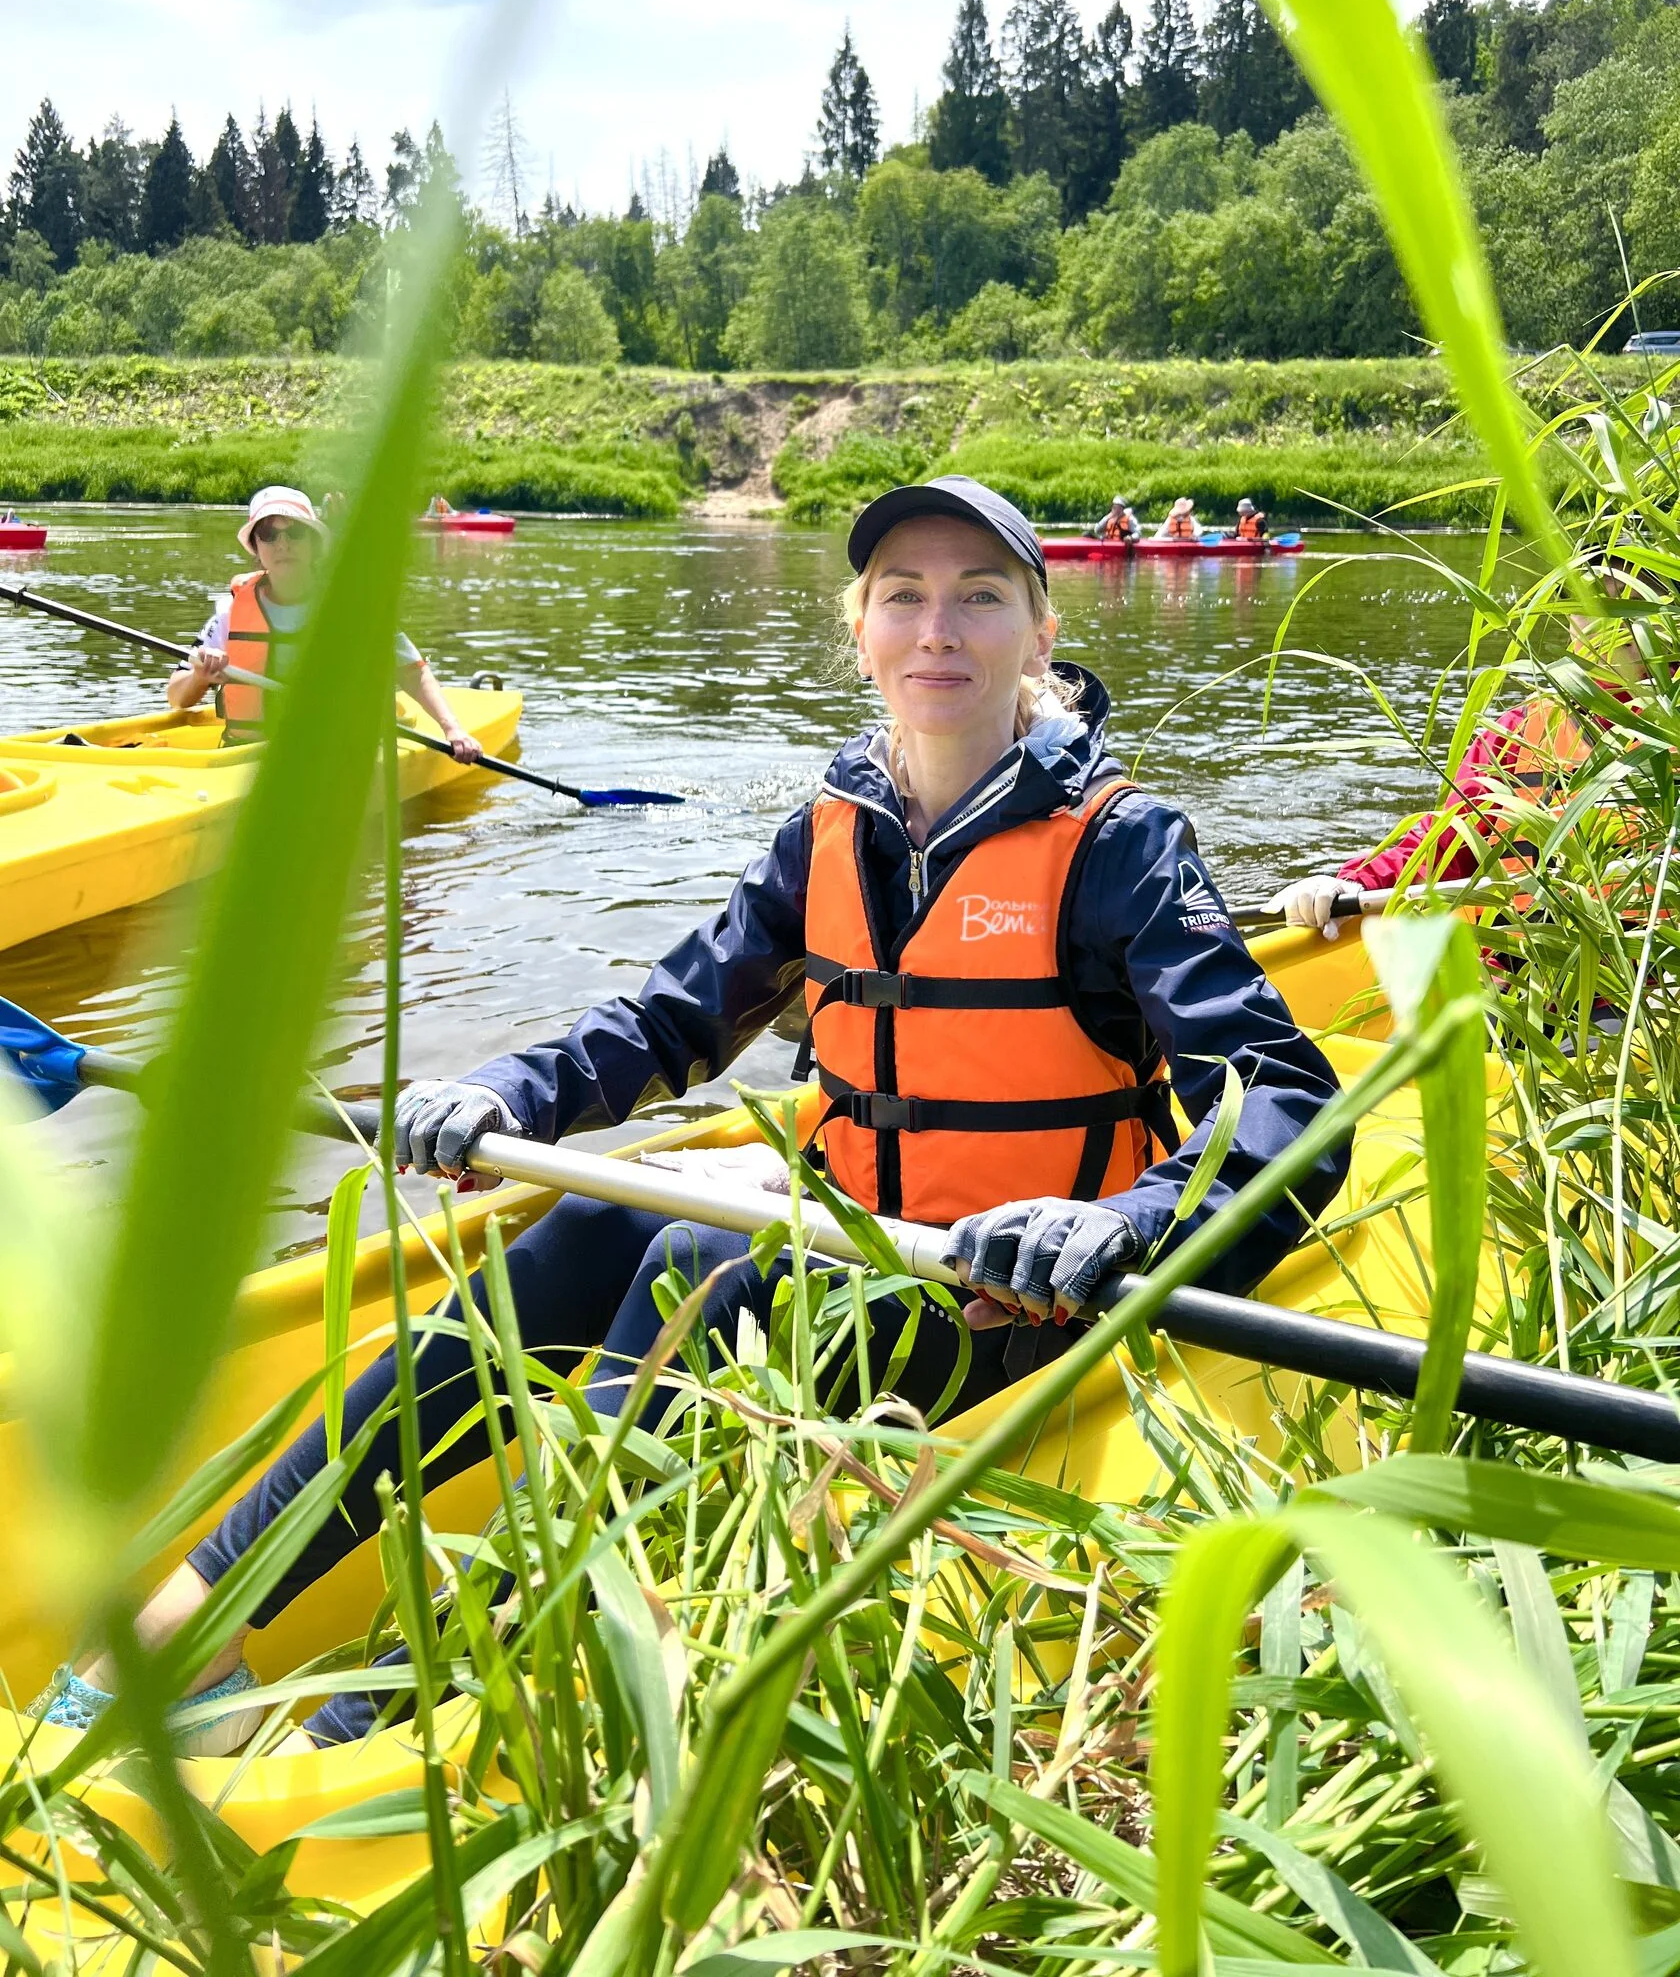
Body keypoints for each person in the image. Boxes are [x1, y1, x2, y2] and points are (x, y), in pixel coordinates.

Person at [38, 476, 1348, 1749]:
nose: (937, 629)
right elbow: (668, 1023)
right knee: (574, 1232)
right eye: (903, 596)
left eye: (980, 597)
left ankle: (403, 1701)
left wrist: (1123, 1226)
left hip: (1003, 1300)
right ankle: (193, 1613)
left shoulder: (1123, 845)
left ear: (1039, 634)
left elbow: (1291, 1102)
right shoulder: (832, 826)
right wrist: (508, 1094)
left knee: (695, 1262)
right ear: (861, 630)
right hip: (849, 1239)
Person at [1275, 557, 1655, 935]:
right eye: (1584, 601)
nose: (1603, 621)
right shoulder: (1514, 733)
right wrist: (1353, 883)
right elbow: (1445, 844)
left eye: (1626, 599)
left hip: (1656, 982)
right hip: (1528, 979)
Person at [166, 484, 483, 763]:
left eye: (296, 533)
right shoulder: (230, 612)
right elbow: (176, 698)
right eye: (269, 534)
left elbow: (412, 672)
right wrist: (199, 675)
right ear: (256, 546)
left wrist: (453, 729)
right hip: (245, 756)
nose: (283, 544)